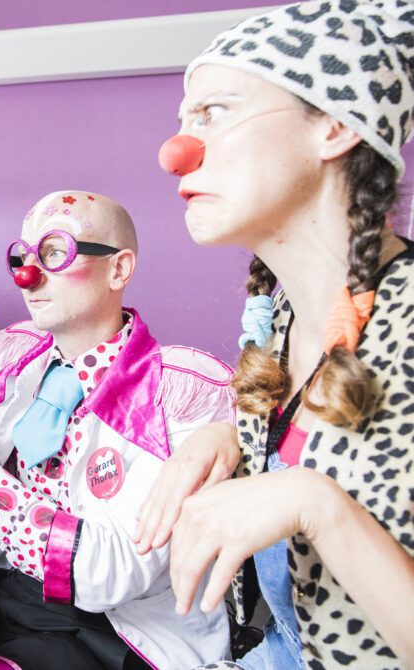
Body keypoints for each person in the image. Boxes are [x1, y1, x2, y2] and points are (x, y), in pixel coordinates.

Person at [134, 2, 414, 668]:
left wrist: (318, 505)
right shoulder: (281, 316)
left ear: (337, 125)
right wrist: (227, 436)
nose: (176, 152)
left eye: (215, 113)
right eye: (183, 122)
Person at [0, 190, 238, 669]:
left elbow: (108, 576)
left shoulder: (179, 390)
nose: (28, 275)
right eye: (21, 256)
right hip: (10, 601)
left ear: (119, 269)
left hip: (115, 636)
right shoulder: (16, 354)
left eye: (54, 252)